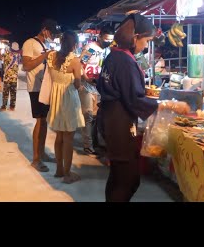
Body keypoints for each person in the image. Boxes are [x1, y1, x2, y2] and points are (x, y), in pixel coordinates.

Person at [97, 13, 189, 202]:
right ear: (135, 37)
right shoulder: (124, 61)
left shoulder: (114, 56)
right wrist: (167, 105)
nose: (147, 45)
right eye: (146, 40)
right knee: (128, 180)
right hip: (119, 125)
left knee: (118, 176)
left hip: (111, 120)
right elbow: (135, 99)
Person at [46, 31, 85, 184]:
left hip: (55, 97)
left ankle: (59, 170)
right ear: (74, 44)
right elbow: (77, 84)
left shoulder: (52, 56)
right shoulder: (75, 61)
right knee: (68, 138)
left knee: (59, 136)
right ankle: (68, 174)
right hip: (68, 98)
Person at [22, 18, 59, 172]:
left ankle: (42, 153)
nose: (53, 36)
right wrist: (45, 56)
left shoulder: (44, 44)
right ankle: (36, 159)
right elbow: (26, 65)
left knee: (44, 122)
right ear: (45, 30)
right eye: (51, 32)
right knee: (40, 121)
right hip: (35, 88)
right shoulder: (29, 43)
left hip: (44, 87)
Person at [78, 25, 114, 154]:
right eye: (106, 39)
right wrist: (87, 78)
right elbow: (80, 65)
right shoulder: (91, 48)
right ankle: (87, 145)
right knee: (88, 115)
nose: (108, 42)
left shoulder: (108, 51)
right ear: (100, 37)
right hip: (86, 86)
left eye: (111, 40)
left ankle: (94, 142)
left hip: (98, 87)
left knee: (95, 117)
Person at [0, 42, 21, 111]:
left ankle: (4, 106)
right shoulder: (18, 55)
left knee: (5, 93)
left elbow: (0, 58)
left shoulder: (6, 54)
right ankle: (12, 106)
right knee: (13, 93)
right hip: (14, 77)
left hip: (7, 77)